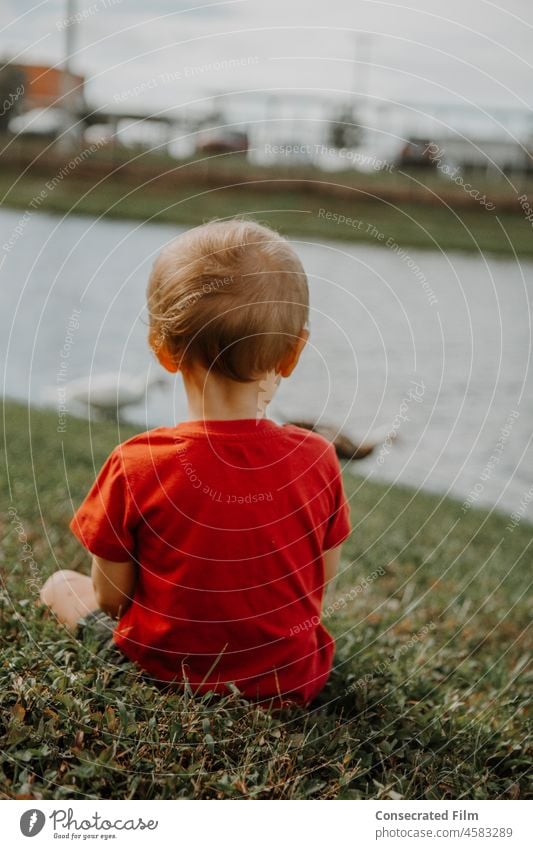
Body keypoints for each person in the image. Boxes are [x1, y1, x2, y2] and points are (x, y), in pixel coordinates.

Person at [40, 218, 351, 705]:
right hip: (290, 682)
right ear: (292, 355)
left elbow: (109, 601)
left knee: (61, 585)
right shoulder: (318, 458)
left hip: (162, 675)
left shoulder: (136, 463)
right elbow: (322, 580)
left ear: (163, 350)